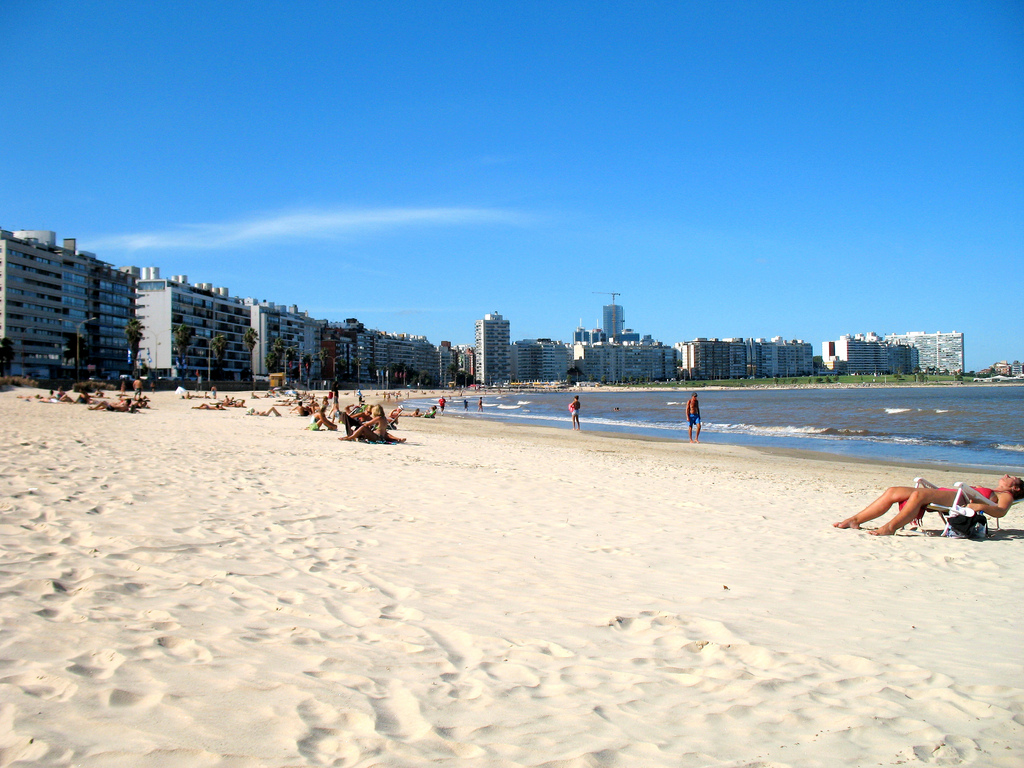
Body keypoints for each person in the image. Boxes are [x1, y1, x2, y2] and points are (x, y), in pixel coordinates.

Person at [834, 474, 1024, 536]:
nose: (1006, 476)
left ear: (1015, 489)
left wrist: (980, 507)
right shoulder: (997, 489)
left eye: (1011, 477)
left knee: (918, 494)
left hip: (960, 499)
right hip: (951, 494)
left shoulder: (1005, 495)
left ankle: (890, 528)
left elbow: (1000, 512)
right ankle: (854, 520)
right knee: (893, 491)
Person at [338, 404, 406, 443]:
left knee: (363, 427)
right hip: (381, 437)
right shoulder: (383, 418)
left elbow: (366, 425)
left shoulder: (378, 418)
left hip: (377, 437)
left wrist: (364, 425)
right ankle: (397, 439)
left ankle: (350, 437)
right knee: (384, 433)